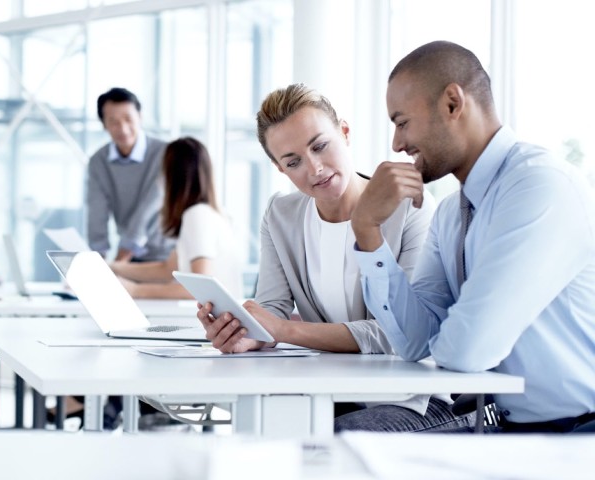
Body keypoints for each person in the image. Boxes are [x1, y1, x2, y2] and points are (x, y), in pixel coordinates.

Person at [196, 83, 473, 432]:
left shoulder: (410, 209)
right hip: (334, 393)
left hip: (415, 399)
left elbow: (399, 334)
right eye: (293, 161)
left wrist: (283, 330)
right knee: (260, 431)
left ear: (344, 132)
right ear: (280, 169)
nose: (314, 169)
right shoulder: (281, 215)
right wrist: (245, 332)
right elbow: (271, 310)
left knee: (326, 440)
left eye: (320, 146)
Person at [351, 41, 595, 433]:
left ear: (452, 103)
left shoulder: (539, 187)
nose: (396, 144)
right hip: (514, 434)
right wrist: (366, 230)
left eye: (401, 122)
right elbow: (415, 342)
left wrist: (446, 337)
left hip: (579, 438)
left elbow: (466, 351)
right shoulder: (451, 213)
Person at [110, 136, 243, 299]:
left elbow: (201, 289)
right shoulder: (210, 213)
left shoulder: (197, 216)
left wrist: (135, 290)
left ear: (173, 176)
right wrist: (113, 268)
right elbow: (167, 269)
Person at [86, 87, 173, 262]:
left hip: (167, 254)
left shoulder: (165, 153)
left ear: (140, 117)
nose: (123, 129)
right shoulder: (98, 161)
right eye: (114, 122)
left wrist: (123, 255)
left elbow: (151, 204)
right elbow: (97, 211)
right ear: (104, 125)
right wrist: (96, 260)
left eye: (128, 119)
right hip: (130, 256)